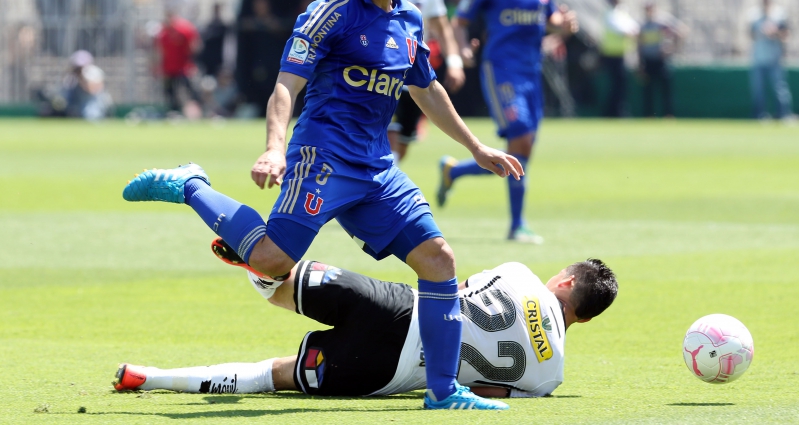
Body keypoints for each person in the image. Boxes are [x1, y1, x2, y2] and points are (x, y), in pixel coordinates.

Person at [122, 0, 522, 411]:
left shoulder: (408, 17)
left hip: (377, 170)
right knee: (270, 262)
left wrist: (476, 148)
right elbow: (286, 86)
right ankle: (190, 185)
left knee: (438, 261)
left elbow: (426, 88)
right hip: (324, 159)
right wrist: (275, 147)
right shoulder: (330, 12)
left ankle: (443, 392)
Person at [114, 243, 618, 398]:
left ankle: (255, 259)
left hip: (396, 306)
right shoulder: (551, 378)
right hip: (388, 372)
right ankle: (150, 378)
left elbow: (453, 295)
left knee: (284, 287)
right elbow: (486, 394)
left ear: (566, 284)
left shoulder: (520, 275)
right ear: (587, 319)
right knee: (279, 375)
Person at [439, 0, 577, 244]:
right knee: (522, 140)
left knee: (523, 148)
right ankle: (517, 226)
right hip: (501, 70)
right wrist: (460, 53)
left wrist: (564, 24)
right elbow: (460, 22)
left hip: (532, 72)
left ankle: (454, 171)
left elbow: (551, 17)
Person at [388, 0, 466, 163]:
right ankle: (380, 190)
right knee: (388, 142)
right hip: (382, 76)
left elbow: (442, 28)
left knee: (402, 147)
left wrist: (455, 63)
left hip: (414, 78)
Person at [747, 0, 795, 121]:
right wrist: (762, 31)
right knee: (758, 90)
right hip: (758, 58)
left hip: (775, 58)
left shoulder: (780, 14)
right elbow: (749, 34)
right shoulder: (754, 14)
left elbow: (786, 35)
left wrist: (774, 33)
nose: (766, 0)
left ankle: (784, 115)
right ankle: (760, 115)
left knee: (780, 89)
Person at [637, 2, 685, 118]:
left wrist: (672, 48)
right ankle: (649, 115)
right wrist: (639, 63)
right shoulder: (643, 24)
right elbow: (639, 44)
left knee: (666, 90)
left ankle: (668, 115)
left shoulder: (662, 23)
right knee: (648, 91)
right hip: (648, 60)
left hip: (661, 60)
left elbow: (681, 32)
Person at [153, 8, 204, 115]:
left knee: (190, 90)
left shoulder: (184, 30)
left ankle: (200, 110)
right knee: (169, 92)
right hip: (168, 69)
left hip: (183, 68)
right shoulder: (163, 33)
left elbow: (194, 46)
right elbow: (159, 51)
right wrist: (157, 67)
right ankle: (174, 112)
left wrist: (192, 63)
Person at [600, 0, 639, 118]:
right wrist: (630, 33)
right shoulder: (610, 14)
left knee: (621, 84)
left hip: (621, 54)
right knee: (617, 84)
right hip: (612, 54)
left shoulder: (621, 13)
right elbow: (619, 29)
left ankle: (618, 110)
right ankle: (614, 112)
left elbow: (633, 27)